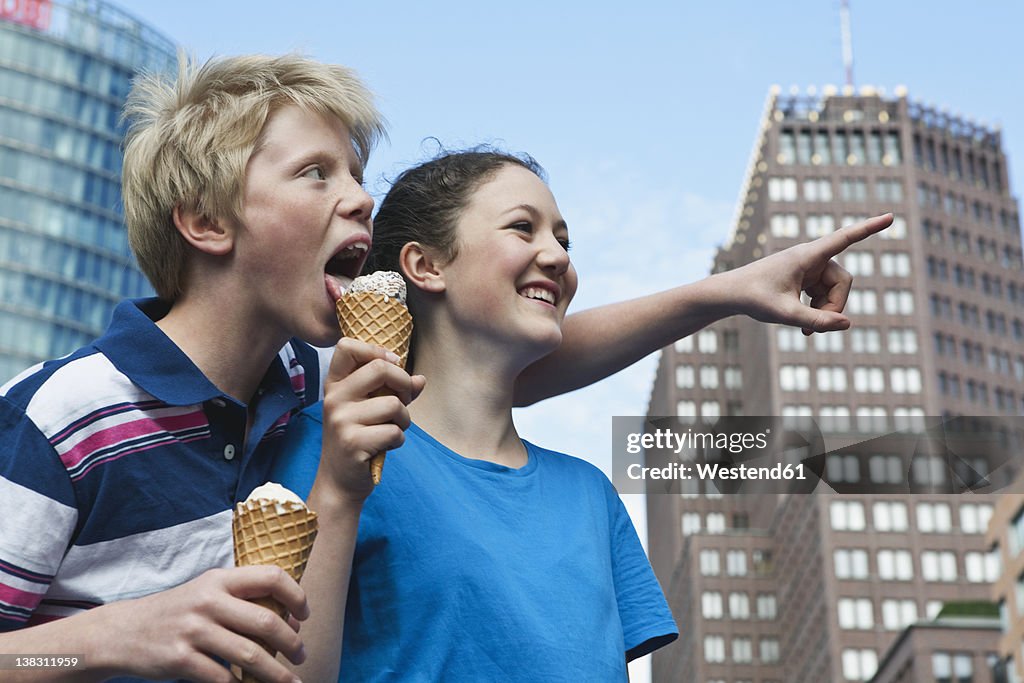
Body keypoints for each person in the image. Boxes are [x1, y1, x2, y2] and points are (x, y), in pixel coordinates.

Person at [0, 49, 890, 681]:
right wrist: (107, 637)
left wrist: (731, 290)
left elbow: (493, 368)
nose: (358, 196)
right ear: (207, 220)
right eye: (316, 173)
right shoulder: (65, 412)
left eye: (356, 171)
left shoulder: (306, 385)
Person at [271, 148, 893, 680]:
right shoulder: (333, 452)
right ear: (426, 266)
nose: (558, 256)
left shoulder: (590, 495)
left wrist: (734, 291)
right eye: (524, 228)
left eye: (564, 241)